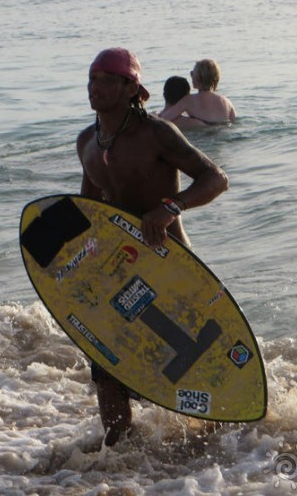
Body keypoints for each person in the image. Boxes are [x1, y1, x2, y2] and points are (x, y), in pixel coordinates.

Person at [76, 47, 229, 446]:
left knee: (196, 360)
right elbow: (89, 211)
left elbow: (215, 178)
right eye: (91, 78)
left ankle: (222, 445)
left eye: (104, 79)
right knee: (107, 361)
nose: (94, 87)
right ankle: (120, 454)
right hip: (118, 267)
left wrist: (171, 207)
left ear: (130, 87)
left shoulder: (157, 133)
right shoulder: (87, 142)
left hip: (170, 262)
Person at [158, 59, 236, 126]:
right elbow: (234, 123)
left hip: (202, 137)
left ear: (198, 77)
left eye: (192, 73)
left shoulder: (188, 100)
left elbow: (163, 119)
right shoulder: (227, 102)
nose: (191, 76)